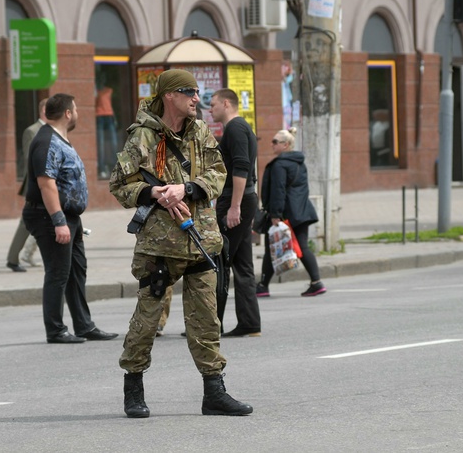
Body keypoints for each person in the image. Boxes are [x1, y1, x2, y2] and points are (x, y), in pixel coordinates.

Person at [110, 69, 253, 418]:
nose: (196, 98)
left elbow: (218, 172)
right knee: (147, 319)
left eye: (198, 92)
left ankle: (214, 391)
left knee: (206, 320)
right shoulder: (143, 136)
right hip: (159, 244)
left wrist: (186, 189)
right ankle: (133, 388)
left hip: (201, 237)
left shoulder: (200, 130)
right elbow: (119, 184)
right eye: (189, 91)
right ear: (170, 95)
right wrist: (153, 192)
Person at [22, 93, 118, 344]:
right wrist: (58, 221)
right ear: (67, 113)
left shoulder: (60, 138)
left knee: (76, 271)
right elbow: (46, 185)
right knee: (58, 273)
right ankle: (55, 330)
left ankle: (84, 326)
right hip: (50, 216)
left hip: (69, 216)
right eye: (75, 109)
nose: (77, 113)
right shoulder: (46, 140)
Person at [209, 88, 261, 338]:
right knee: (242, 263)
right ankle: (249, 323)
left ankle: (211, 325)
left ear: (226, 103)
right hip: (240, 198)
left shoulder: (235, 129)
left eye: (213, 104)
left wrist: (234, 207)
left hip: (237, 199)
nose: (210, 109)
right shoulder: (238, 128)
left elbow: (241, 168)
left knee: (218, 261)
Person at [256, 127, 326, 298]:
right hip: (301, 211)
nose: (272, 145)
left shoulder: (279, 165)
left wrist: (275, 215)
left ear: (286, 145)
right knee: (301, 247)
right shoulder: (299, 162)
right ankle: (316, 282)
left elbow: (278, 191)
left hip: (285, 213)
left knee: (272, 248)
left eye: (275, 142)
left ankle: (263, 286)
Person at [6, 98, 48, 272]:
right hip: (37, 186)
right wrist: (38, 187)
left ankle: (17, 257)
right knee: (27, 222)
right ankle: (13, 258)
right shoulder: (32, 131)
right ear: (43, 110)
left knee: (49, 221)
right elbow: (30, 161)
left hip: (48, 186)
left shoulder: (52, 131)